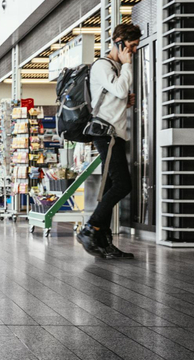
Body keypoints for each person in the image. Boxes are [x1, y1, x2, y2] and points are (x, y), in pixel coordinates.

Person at [76, 24, 141, 260]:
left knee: (109, 189)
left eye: (134, 48)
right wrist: (127, 66)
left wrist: (123, 102)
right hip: (107, 134)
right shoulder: (103, 65)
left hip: (115, 134)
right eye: (131, 46)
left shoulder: (114, 66)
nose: (132, 52)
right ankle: (90, 228)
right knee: (123, 185)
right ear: (119, 41)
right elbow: (120, 88)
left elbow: (116, 95)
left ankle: (103, 241)